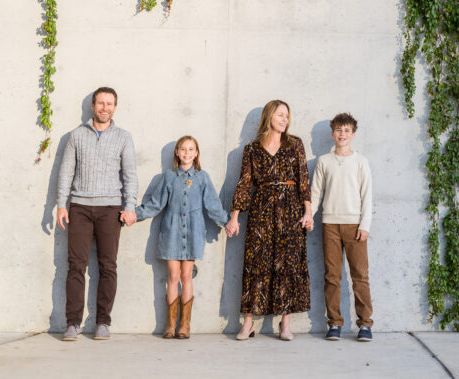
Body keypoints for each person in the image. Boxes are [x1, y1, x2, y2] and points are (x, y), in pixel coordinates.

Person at [225, 99, 313, 341]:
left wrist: (308, 211)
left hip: (290, 211)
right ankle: (248, 323)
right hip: (261, 212)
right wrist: (234, 217)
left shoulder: (295, 144)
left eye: (287, 116)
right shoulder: (252, 149)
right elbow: (244, 184)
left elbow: (303, 179)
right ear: (269, 117)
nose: (285, 120)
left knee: (288, 265)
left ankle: (285, 324)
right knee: (256, 264)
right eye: (281, 115)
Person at [55, 86, 138, 341]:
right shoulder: (76, 136)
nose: (105, 107)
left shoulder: (124, 137)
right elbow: (66, 172)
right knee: (75, 267)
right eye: (101, 103)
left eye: (109, 103)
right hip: (79, 208)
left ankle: (103, 322)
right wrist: (61, 204)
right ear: (93, 106)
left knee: (107, 266)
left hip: (110, 209)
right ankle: (72, 323)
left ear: (115, 107)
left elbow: (130, 175)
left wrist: (130, 206)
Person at [135, 135, 229, 339]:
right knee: (173, 276)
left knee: (187, 276)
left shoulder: (202, 178)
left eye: (191, 149)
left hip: (193, 232)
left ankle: (184, 325)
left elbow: (212, 204)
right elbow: (155, 204)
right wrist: (135, 214)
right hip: (171, 232)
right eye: (183, 149)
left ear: (196, 154)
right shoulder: (168, 177)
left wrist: (227, 221)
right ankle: (170, 325)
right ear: (177, 153)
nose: (187, 153)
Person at [310, 112, 374, 341]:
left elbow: (367, 196)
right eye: (339, 130)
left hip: (355, 225)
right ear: (332, 134)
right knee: (332, 276)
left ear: (353, 134)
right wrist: (309, 216)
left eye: (347, 130)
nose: (342, 134)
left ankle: (365, 324)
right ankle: (334, 323)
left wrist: (364, 225)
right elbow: (315, 193)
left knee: (360, 276)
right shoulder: (324, 162)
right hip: (330, 224)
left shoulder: (360, 162)